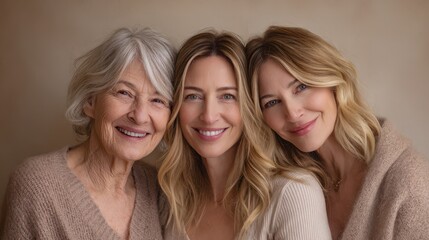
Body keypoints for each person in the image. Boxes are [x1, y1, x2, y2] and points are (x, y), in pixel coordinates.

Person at [246, 25, 429, 240]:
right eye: (272, 102)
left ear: (332, 82)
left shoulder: (408, 182)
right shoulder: (285, 185)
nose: (293, 113)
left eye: (301, 87)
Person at [2, 27, 175, 239]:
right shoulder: (36, 186)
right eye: (124, 93)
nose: (139, 116)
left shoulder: (159, 189)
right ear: (90, 101)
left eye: (158, 100)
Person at [158, 30, 331, 240]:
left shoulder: (293, 193)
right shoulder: (170, 199)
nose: (209, 115)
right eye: (193, 96)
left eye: (228, 96)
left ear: (249, 106)